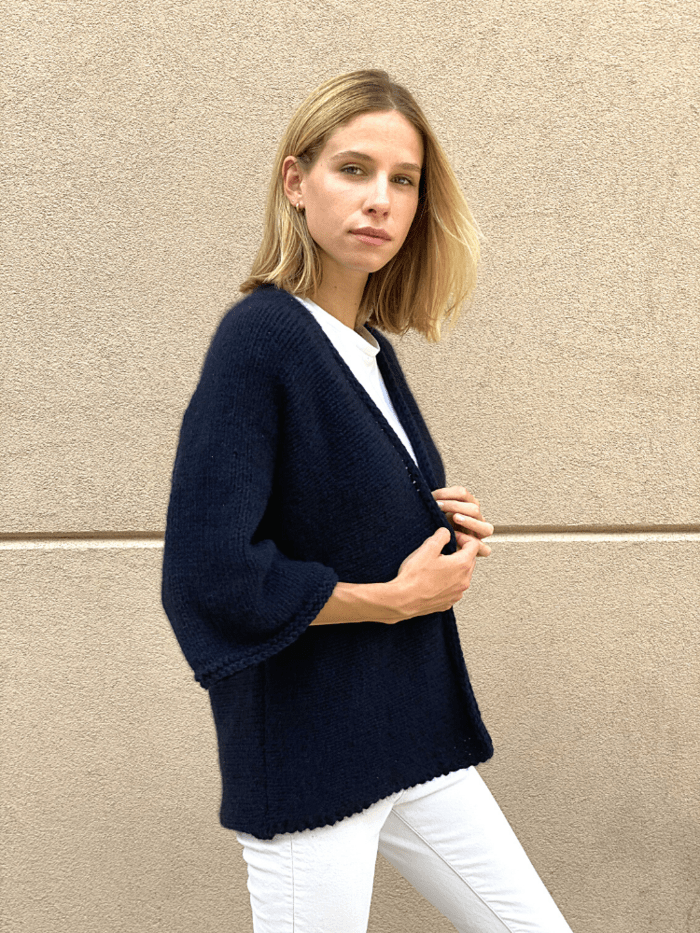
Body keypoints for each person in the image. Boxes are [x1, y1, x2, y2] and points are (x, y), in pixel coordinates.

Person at [162, 70, 573, 933]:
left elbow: (329, 514)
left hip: (411, 733)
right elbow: (210, 571)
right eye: (353, 169)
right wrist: (393, 598)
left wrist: (438, 521)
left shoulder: (368, 349)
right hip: (311, 756)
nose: (380, 199)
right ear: (296, 181)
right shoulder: (262, 337)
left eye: (404, 180)